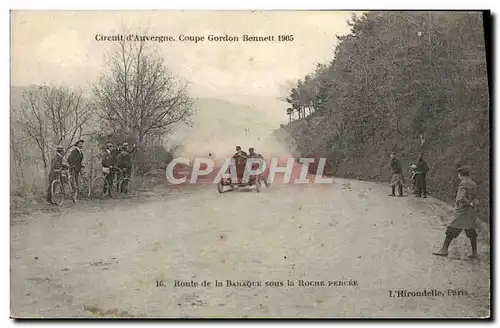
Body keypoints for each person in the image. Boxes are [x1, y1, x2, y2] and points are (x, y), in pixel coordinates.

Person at [433, 165, 479, 259]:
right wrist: (473, 204)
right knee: (471, 231)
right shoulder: (473, 184)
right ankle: (474, 253)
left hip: (462, 211)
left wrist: (468, 202)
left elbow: (461, 198)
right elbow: (475, 198)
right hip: (470, 212)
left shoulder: (463, 183)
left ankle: (444, 250)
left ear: (460, 174)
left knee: (451, 229)